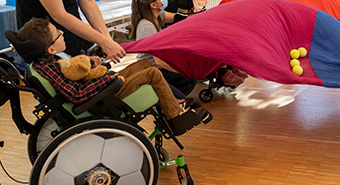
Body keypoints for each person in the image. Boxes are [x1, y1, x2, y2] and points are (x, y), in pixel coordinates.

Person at [16, 17, 210, 131]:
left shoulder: (45, 64)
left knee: (142, 63)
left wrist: (92, 66)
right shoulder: (51, 67)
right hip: (103, 97)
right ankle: (175, 116)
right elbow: (77, 94)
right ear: (50, 49)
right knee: (152, 73)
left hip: (102, 89)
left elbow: (76, 75)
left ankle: (175, 102)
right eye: (58, 33)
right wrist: (107, 80)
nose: (62, 32)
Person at [130, 0, 196, 93]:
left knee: (191, 66)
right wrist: (180, 68)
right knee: (192, 71)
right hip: (154, 71)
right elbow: (158, 61)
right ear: (153, 5)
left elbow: (177, 18)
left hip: (159, 66)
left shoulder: (157, 15)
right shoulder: (147, 26)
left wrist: (199, 17)